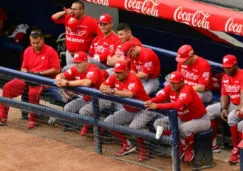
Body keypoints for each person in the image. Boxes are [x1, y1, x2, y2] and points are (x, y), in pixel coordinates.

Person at [0, 29, 61, 128]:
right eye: (33, 43)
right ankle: (2, 117)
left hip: (43, 80)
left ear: (42, 40)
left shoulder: (50, 51)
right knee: (7, 87)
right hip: (28, 78)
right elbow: (24, 67)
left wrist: (39, 74)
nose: (35, 45)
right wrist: (26, 73)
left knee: (32, 93)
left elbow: (57, 69)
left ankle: (33, 120)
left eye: (37, 42)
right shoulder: (28, 50)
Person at [145, 71, 210, 163]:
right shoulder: (170, 87)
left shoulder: (187, 89)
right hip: (182, 118)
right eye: (171, 82)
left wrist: (157, 106)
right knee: (158, 123)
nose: (172, 85)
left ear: (182, 82)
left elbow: (177, 105)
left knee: (183, 129)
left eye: (175, 83)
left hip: (201, 119)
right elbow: (160, 98)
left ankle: (189, 149)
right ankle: (180, 145)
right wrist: (151, 101)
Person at [100, 61, 156, 162]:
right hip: (129, 110)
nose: (116, 74)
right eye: (115, 71)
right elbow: (102, 86)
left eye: (119, 72)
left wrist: (112, 91)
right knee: (108, 122)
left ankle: (144, 150)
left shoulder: (133, 78)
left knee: (133, 128)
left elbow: (130, 94)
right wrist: (105, 88)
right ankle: (127, 145)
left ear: (126, 72)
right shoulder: (114, 77)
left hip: (145, 109)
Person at [54, 51, 109, 134]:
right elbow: (61, 75)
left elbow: (87, 82)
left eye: (79, 62)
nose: (76, 65)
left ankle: (99, 128)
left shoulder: (93, 69)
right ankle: (85, 126)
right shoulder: (75, 69)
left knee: (83, 112)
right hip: (88, 98)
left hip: (103, 99)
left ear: (86, 61)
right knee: (68, 108)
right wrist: (59, 79)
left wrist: (68, 83)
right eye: (75, 62)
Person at [206, 54, 243, 164]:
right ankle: (214, 144)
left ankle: (236, 149)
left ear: (235, 65)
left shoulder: (242, 74)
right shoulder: (225, 77)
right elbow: (224, 95)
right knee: (209, 110)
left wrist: (241, 106)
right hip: (233, 103)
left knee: (232, 117)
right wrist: (223, 108)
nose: (226, 69)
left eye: (229, 67)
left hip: (241, 104)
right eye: (224, 67)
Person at [51, 1, 100, 70]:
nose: (72, 11)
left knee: (82, 74)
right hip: (70, 54)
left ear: (82, 10)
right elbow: (54, 18)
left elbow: (102, 34)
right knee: (70, 73)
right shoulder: (68, 17)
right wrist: (65, 12)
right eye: (72, 9)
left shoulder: (91, 21)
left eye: (75, 9)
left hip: (84, 55)